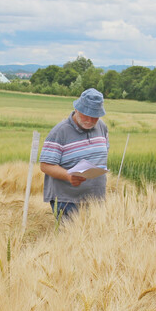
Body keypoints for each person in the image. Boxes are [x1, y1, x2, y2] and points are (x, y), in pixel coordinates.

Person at [39, 88, 109, 220]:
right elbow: (45, 165)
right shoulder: (60, 132)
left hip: (96, 199)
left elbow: (103, 155)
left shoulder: (102, 127)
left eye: (94, 117)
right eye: (85, 115)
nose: (89, 120)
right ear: (76, 109)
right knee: (71, 239)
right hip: (68, 201)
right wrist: (68, 176)